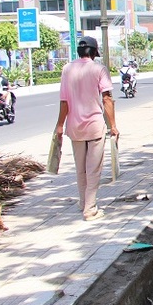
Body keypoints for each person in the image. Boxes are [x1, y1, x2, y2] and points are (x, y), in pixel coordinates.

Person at [54, 36, 119, 221]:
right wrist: (113, 126)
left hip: (74, 126)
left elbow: (64, 101)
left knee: (80, 168)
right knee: (93, 169)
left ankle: (83, 202)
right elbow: (107, 99)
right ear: (94, 51)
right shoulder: (99, 69)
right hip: (94, 126)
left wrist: (59, 125)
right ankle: (90, 209)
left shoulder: (67, 69)